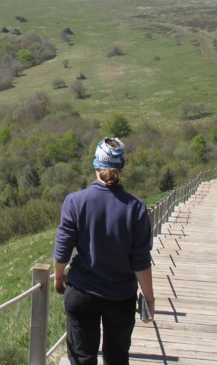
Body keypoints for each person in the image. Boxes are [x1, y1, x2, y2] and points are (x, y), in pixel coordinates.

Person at [53, 137, 155, 365]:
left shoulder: (74, 202)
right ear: (121, 167)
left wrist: (59, 277)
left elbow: (62, 250)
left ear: (96, 165)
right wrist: (149, 299)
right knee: (117, 358)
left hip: (82, 293)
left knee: (81, 357)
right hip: (121, 297)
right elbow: (141, 260)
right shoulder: (136, 208)